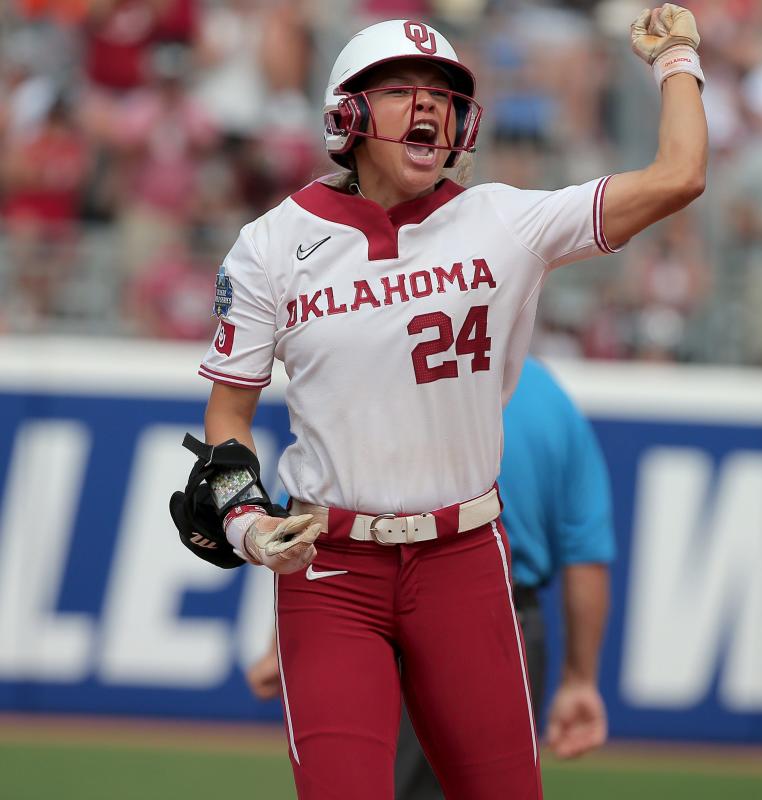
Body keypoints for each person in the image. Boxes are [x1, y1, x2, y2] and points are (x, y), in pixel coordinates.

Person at [194, 7, 705, 799]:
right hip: (332, 563)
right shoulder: (269, 243)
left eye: (444, 92)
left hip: (463, 556)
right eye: (403, 90)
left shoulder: (503, 220)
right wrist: (246, 522)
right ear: (350, 114)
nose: (429, 105)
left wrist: (677, 59)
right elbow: (228, 418)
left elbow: (679, 177)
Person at [246, 356, 617, 797]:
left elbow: (315, 522)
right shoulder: (550, 398)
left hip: (376, 609)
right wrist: (580, 679)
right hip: (509, 621)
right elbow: (586, 556)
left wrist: (279, 642)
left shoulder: (390, 368)